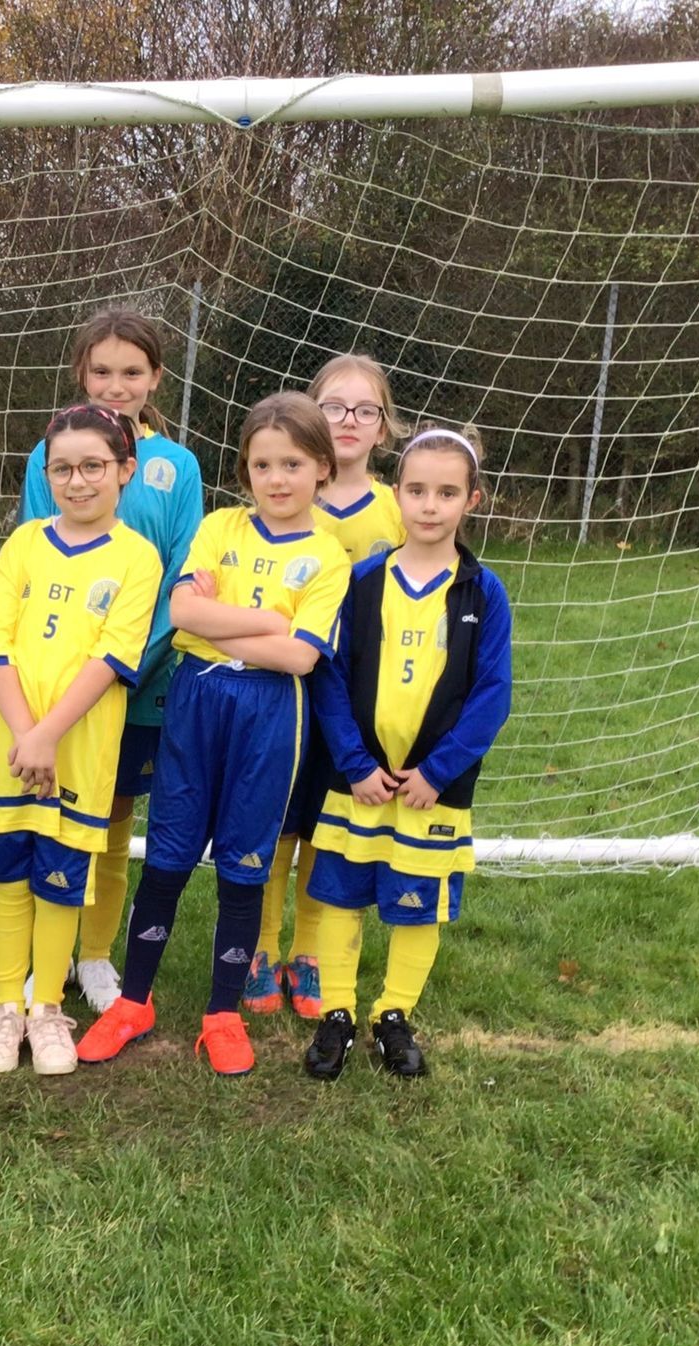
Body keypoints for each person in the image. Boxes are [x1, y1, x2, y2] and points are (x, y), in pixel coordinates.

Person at [76, 392, 351, 1076]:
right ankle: (133, 1001)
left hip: (268, 713)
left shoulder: (328, 554)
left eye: (292, 463)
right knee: (167, 853)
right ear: (245, 470)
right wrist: (269, 623)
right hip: (195, 702)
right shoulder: (221, 528)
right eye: (262, 464)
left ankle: (223, 1014)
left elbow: (303, 659)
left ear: (322, 466)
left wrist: (225, 623)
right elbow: (182, 612)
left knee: (243, 863)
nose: (277, 478)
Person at [302, 425, 513, 1080]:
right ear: (397, 496)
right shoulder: (362, 581)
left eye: (446, 492)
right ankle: (335, 1013)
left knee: (415, 901)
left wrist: (438, 770)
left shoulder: (485, 592)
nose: (430, 505)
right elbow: (330, 677)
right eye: (417, 490)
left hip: (430, 790)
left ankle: (393, 1014)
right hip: (358, 781)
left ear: (472, 500)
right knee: (340, 896)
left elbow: (492, 694)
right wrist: (357, 763)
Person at [0, 404, 162, 1075]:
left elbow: (113, 656)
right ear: (45, 473)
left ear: (124, 471)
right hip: (12, 748)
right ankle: (4, 1005)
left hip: (78, 747)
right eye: (63, 469)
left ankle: (47, 1005)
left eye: (93, 467)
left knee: (59, 878)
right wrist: (26, 734)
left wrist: (50, 735)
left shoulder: (139, 559)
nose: (77, 482)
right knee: (10, 877)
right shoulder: (23, 543)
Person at [18, 308, 203, 1011]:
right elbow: (40, 553)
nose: (116, 385)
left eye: (132, 372)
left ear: (156, 377)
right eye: (102, 370)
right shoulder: (50, 453)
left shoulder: (177, 465)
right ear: (80, 373)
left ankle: (95, 954)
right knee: (54, 814)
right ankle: (47, 955)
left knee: (113, 816)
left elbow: (183, 570)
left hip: (143, 677)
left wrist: (136, 657)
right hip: (62, 679)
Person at [251, 353, 412, 1018]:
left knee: (326, 827)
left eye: (365, 409)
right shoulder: (285, 496)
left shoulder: (398, 509)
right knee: (275, 823)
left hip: (353, 699)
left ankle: (311, 951)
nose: (348, 420)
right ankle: (261, 949)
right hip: (282, 689)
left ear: (384, 427)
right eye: (334, 407)